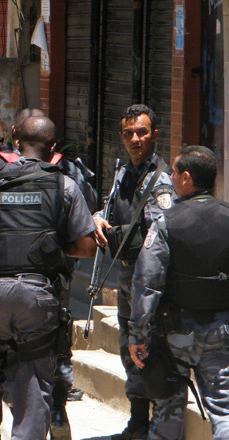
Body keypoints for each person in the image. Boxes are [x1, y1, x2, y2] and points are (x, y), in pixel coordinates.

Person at [0, 116, 97, 439]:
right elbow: (87, 247)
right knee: (34, 376)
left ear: (17, 142)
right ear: (52, 147)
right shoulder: (63, 184)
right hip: (39, 295)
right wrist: (52, 248)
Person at [128, 145, 228, 440]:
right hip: (222, 333)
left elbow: (147, 281)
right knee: (224, 411)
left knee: (168, 410)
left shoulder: (165, 222)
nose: (169, 178)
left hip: (174, 336)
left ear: (186, 177)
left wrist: (137, 333)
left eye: (172, 172)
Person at [92, 104, 178, 440]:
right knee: (129, 346)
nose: (135, 139)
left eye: (141, 132)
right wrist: (99, 216)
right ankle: (137, 419)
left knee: (148, 347)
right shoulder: (124, 172)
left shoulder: (160, 180)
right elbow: (111, 205)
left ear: (155, 134)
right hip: (125, 273)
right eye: (129, 133)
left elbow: (162, 233)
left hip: (148, 278)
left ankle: (155, 423)